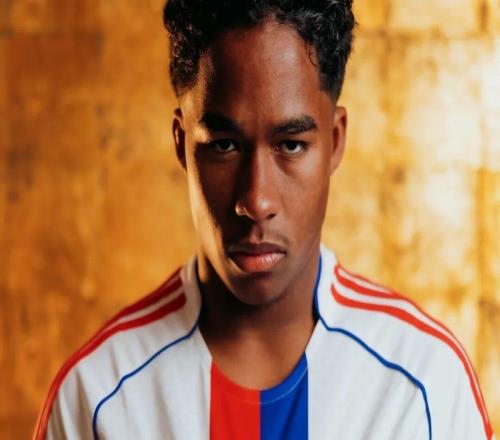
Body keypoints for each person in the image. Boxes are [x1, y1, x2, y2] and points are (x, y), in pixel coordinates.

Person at [34, 1, 494, 439]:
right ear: (181, 144)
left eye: (291, 145)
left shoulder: (426, 386)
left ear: (335, 142)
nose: (255, 201)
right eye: (224, 145)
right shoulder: (95, 398)